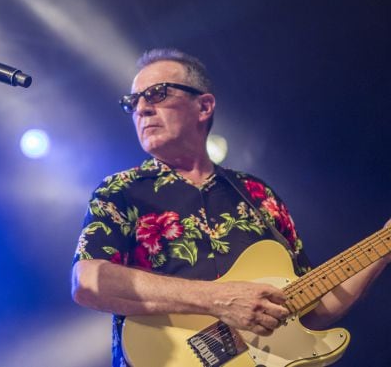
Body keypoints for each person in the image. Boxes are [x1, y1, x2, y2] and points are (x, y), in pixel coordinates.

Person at [71, 48, 389, 367]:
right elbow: (87, 282)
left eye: (156, 93)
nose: (141, 108)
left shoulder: (257, 193)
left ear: (204, 106)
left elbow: (313, 310)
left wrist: (384, 246)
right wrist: (217, 300)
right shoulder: (120, 190)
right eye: (133, 101)